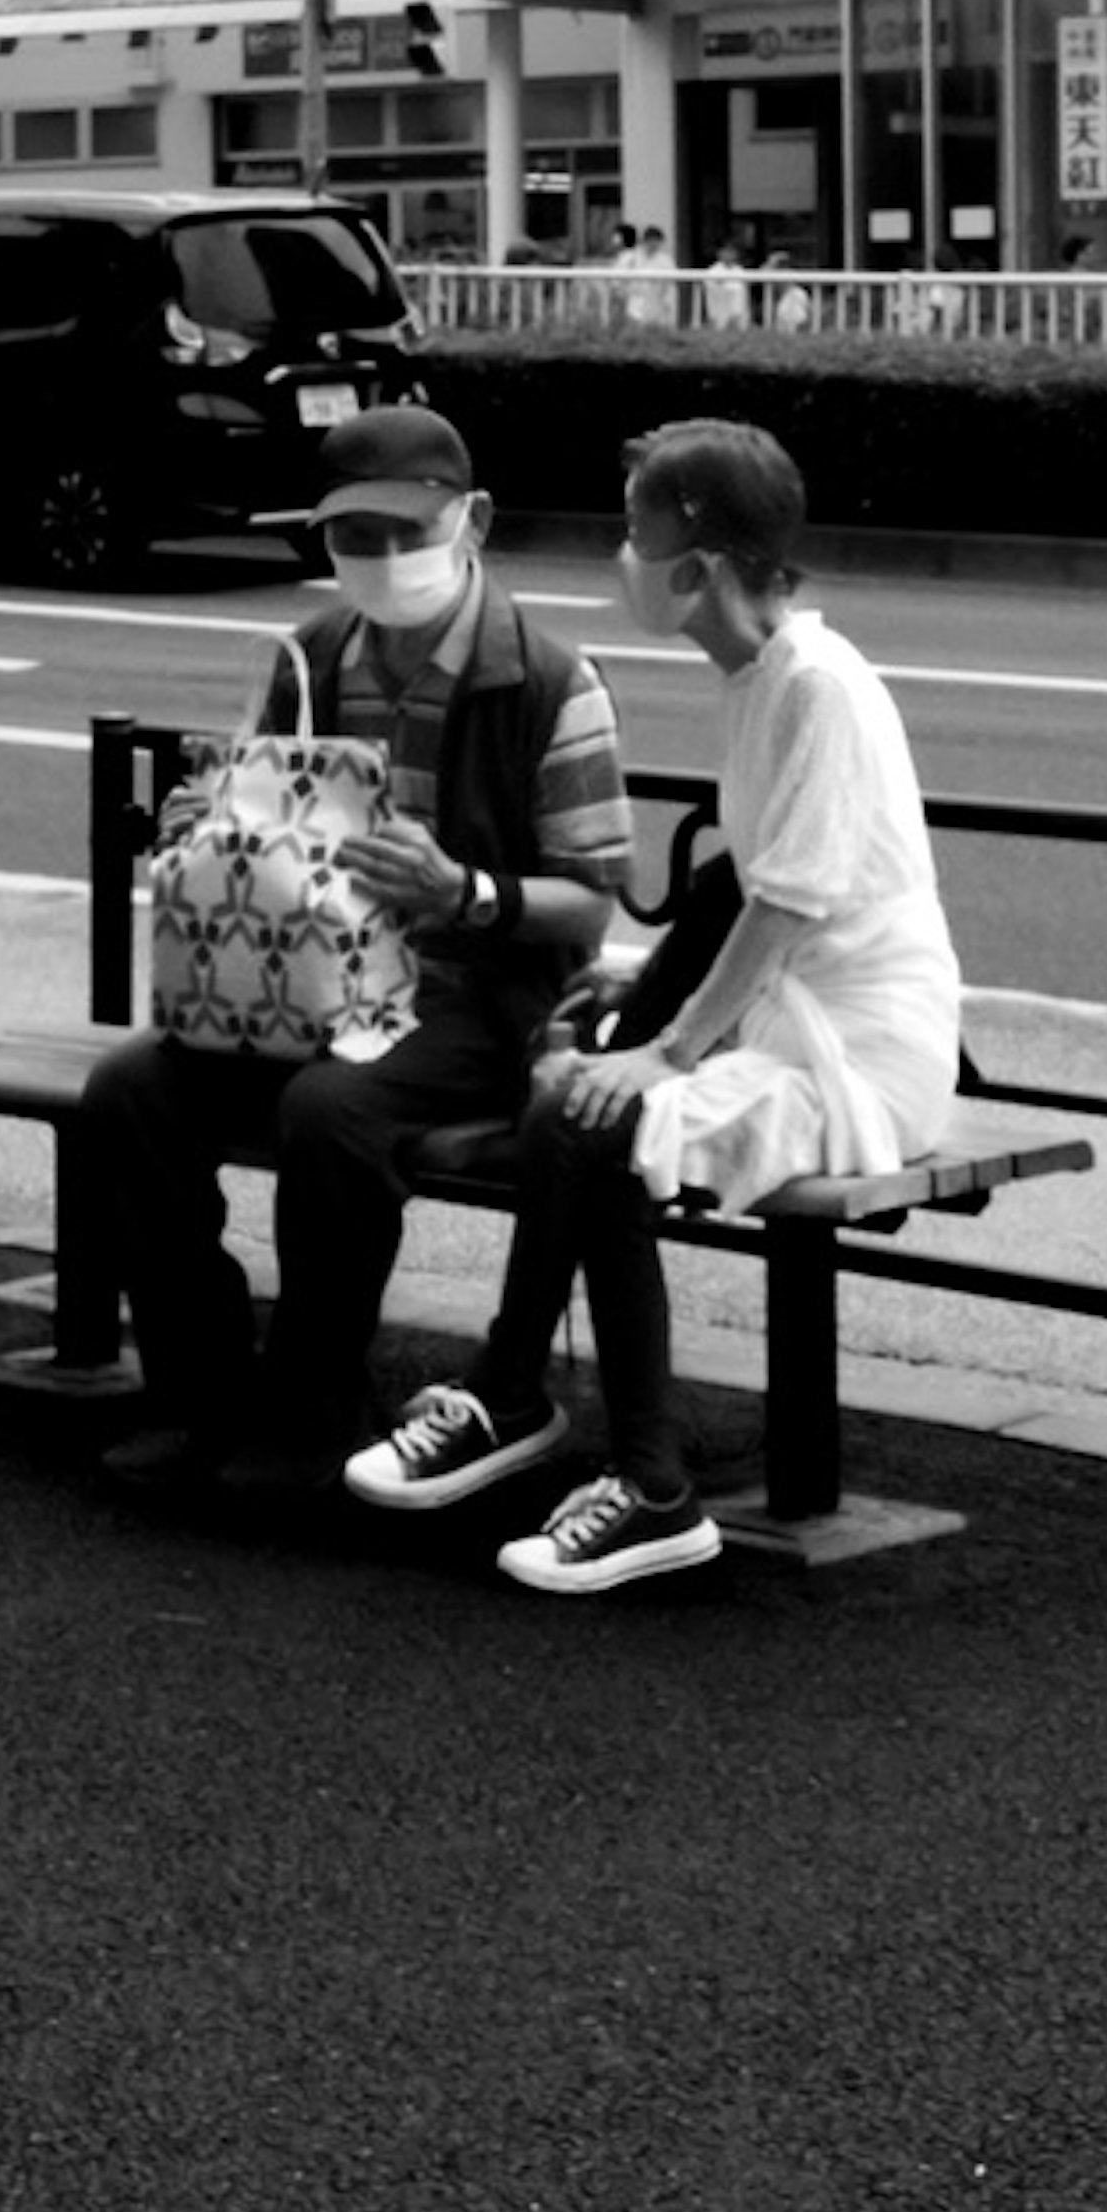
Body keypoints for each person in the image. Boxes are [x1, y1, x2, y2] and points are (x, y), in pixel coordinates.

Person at [343, 420, 962, 1593]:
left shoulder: (818, 689)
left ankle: (630, 1472)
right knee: (574, 1109)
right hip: (798, 1023)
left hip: (861, 1053)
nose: (622, 555)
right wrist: (639, 994)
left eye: (638, 531)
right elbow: (749, 893)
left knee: (596, 1119)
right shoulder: (769, 678)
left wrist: (667, 1052)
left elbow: (785, 905)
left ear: (706, 564)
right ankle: (542, 1410)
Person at [82, 407, 636, 1497]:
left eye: (404, 534)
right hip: (303, 985)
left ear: (471, 520)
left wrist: (466, 892)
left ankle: (311, 1403)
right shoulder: (311, 658)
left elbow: (592, 907)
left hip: (475, 999)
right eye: (353, 541)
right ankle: (198, 1389)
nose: (381, 563)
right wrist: (209, 823)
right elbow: (253, 829)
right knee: (129, 1091)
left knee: (331, 1112)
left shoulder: (550, 682)